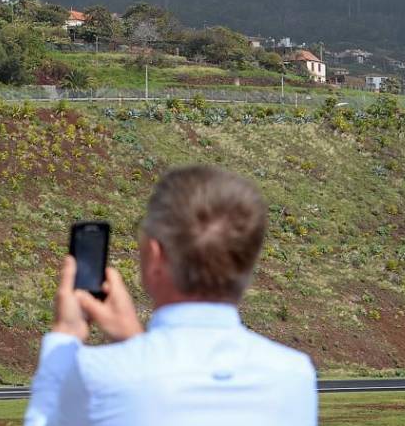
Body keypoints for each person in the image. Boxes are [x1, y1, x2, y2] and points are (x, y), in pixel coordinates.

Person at [24, 165, 316, 425]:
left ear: (155, 255)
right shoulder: (296, 376)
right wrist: (133, 342)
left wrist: (65, 336)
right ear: (249, 260)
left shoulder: (99, 374)